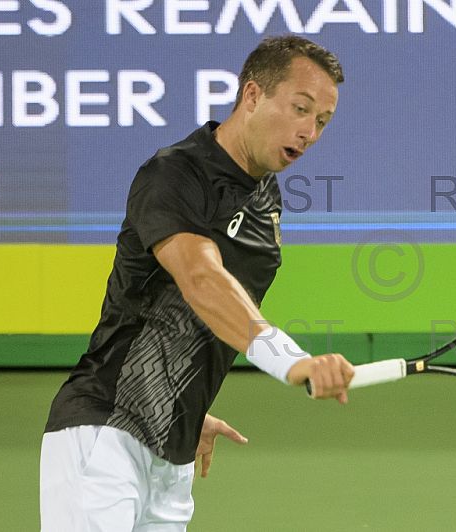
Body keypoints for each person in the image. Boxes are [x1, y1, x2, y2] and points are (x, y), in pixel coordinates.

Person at [40, 35, 355, 531]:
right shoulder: (174, 174)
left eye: (322, 121)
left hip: (173, 453)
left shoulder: (266, 198)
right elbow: (200, 279)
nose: (310, 131)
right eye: (300, 109)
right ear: (252, 96)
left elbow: (195, 325)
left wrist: (185, 407)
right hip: (105, 433)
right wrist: (293, 361)